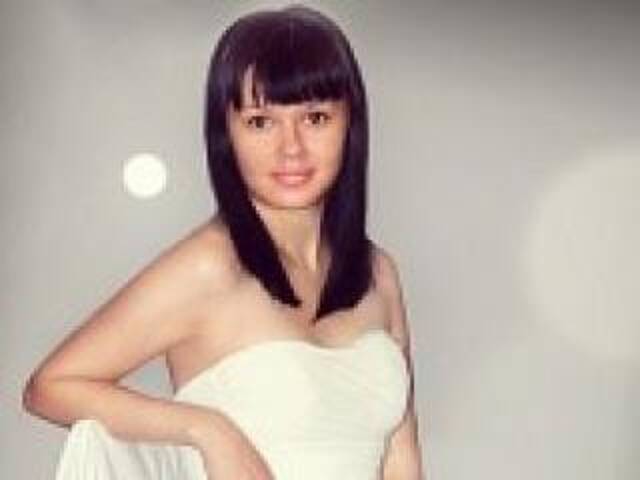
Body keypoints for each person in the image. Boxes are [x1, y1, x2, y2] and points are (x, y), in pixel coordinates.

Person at [23, 5, 424, 479]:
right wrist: (207, 430)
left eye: (315, 118)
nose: (291, 147)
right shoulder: (209, 267)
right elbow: (52, 385)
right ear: (226, 133)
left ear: (350, 124)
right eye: (260, 122)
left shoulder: (378, 274)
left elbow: (402, 459)